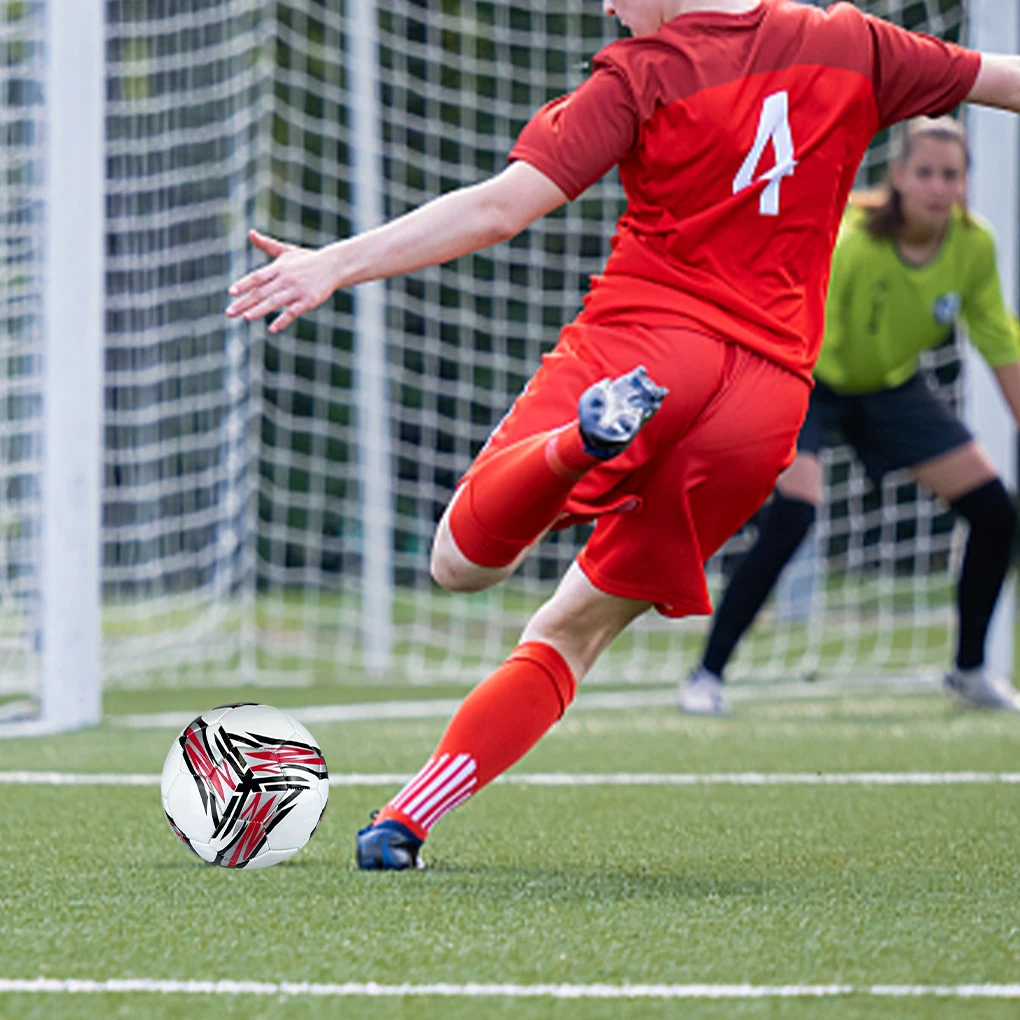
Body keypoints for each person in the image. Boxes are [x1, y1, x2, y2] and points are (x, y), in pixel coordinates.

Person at [226, 0, 1020, 869]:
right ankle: (402, 823)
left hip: (644, 355)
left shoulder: (641, 74)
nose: (607, 6)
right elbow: (1003, 79)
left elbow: (499, 210)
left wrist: (332, 262)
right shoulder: (854, 42)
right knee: (575, 629)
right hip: (763, 408)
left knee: (458, 560)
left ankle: (579, 443)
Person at [678, 115, 1020, 717]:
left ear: (966, 181)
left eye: (951, 175)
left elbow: (1000, 344)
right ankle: (707, 675)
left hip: (890, 387)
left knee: (994, 511)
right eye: (925, 173)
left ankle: (969, 672)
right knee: (794, 514)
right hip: (806, 376)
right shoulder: (855, 240)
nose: (938, 187)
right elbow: (786, 311)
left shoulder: (975, 245)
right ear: (898, 177)